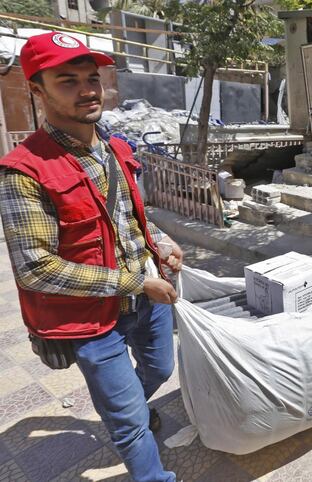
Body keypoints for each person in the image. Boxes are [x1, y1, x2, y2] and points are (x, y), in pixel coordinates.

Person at [0, 33, 182, 482]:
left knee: (160, 367)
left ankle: (132, 409)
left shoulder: (115, 147)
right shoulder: (25, 171)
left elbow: (132, 218)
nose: (87, 90)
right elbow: (36, 268)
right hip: (91, 318)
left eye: (91, 78)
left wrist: (160, 242)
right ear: (37, 91)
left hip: (147, 302)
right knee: (130, 423)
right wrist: (136, 282)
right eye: (68, 81)